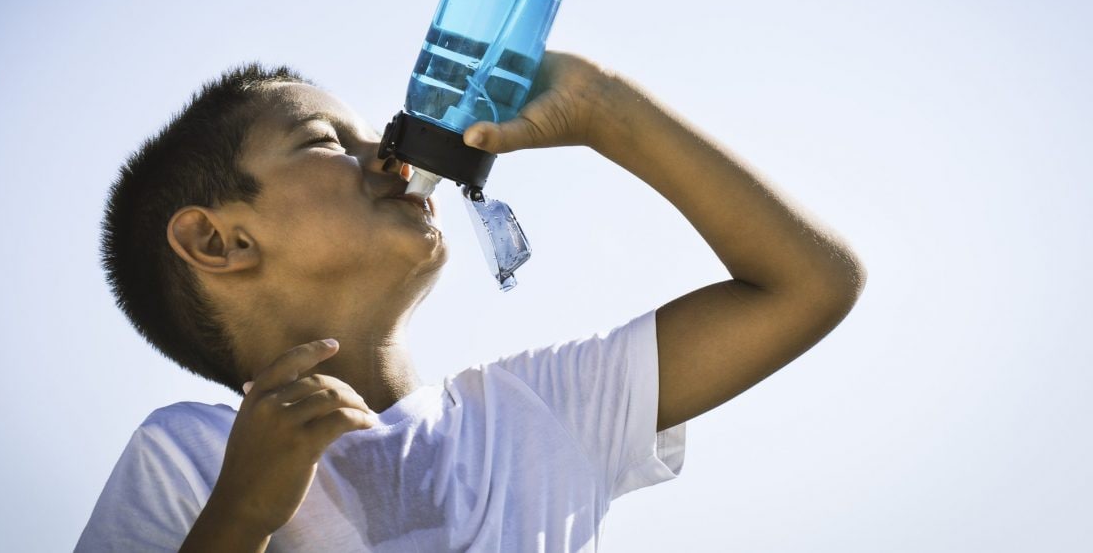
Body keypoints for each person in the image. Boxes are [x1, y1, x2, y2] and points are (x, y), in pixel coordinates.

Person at [77, 52, 866, 552]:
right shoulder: (192, 456)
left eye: (373, 137)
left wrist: (601, 107)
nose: (391, 156)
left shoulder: (538, 414)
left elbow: (809, 283)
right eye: (327, 143)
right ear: (219, 243)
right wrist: (240, 519)